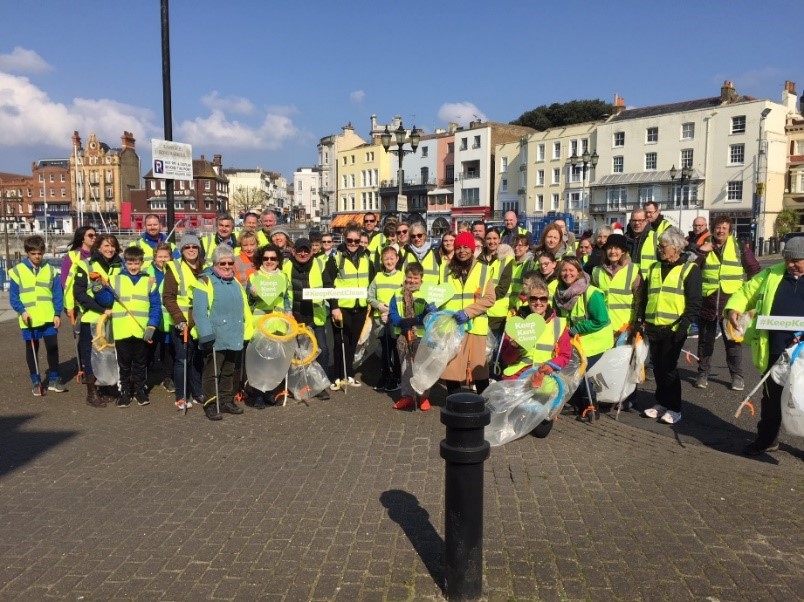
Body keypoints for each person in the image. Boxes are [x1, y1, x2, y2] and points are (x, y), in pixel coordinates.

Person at [725, 237, 804, 455]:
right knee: (771, 400)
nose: (790, 265)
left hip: (803, 353)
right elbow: (746, 292)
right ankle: (767, 439)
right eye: (787, 259)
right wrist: (734, 308)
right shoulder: (772, 274)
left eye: (796, 260)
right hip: (775, 349)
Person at [637, 227, 702, 424]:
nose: (660, 249)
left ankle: (675, 408)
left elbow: (694, 303)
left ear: (676, 247)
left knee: (669, 368)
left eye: (663, 246)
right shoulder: (655, 267)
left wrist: (683, 327)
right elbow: (646, 295)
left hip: (674, 329)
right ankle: (661, 402)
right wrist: (641, 319)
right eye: (660, 246)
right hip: (653, 326)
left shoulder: (690, 269)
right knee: (657, 367)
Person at [694, 216, 760, 391]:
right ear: (712, 228)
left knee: (733, 342)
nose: (720, 231)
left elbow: (755, 271)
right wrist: (701, 252)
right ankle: (702, 374)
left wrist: (749, 298)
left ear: (729, 230)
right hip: (708, 302)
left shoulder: (739, 248)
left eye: (724, 228)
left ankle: (737, 376)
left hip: (731, 304)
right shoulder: (704, 247)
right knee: (705, 342)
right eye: (718, 227)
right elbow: (690, 270)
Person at [193, 246, 252, 421]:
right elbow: (199, 312)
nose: (227, 266)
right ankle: (211, 403)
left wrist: (249, 331)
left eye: (230, 263)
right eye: (222, 263)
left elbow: (245, 309)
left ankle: (226, 400)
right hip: (215, 336)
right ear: (215, 263)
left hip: (234, 334)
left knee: (229, 370)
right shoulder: (204, 281)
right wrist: (206, 335)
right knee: (212, 371)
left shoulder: (236, 283)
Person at [554, 256, 612, 417]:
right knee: (569, 371)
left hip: (595, 341)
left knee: (580, 372)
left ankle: (591, 405)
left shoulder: (592, 293)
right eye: (564, 270)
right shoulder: (559, 294)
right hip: (573, 341)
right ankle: (578, 404)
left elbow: (601, 319)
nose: (567, 273)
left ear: (579, 272)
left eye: (571, 270)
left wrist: (576, 328)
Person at [10, 235, 66, 395]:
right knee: (32, 349)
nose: (37, 256)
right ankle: (36, 381)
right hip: (28, 317)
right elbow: (14, 296)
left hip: (48, 316)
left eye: (39, 253)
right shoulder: (17, 271)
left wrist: (57, 313)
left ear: (43, 252)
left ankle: (54, 378)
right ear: (27, 253)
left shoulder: (51, 270)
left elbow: (57, 293)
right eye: (33, 253)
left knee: (53, 347)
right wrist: (22, 311)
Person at [441, 232, 496, 394]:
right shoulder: (446, 270)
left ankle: (484, 401)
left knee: (479, 367)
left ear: (472, 249)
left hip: (476, 326)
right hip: (453, 325)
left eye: (466, 247)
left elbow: (490, 299)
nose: (462, 251)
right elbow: (441, 293)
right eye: (458, 248)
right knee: (452, 366)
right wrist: (434, 305)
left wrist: (468, 312)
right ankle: (453, 399)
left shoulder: (484, 270)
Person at [73, 233, 123, 407]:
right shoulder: (85, 265)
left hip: (115, 319)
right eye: (106, 246)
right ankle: (92, 393)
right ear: (98, 247)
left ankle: (107, 387)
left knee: (110, 355)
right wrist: (102, 309)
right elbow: (78, 294)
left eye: (112, 246)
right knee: (90, 356)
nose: (110, 249)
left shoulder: (120, 265)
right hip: (92, 318)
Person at [109, 246, 162, 408]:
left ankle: (140, 390)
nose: (133, 267)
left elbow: (155, 306)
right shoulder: (115, 279)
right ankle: (124, 392)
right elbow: (105, 298)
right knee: (124, 365)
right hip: (122, 329)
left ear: (141, 263)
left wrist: (152, 325)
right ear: (125, 263)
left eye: (136, 263)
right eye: (130, 263)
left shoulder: (149, 281)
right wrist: (97, 289)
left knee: (140, 364)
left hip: (141, 331)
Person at [285, 237, 336, 399]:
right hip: (294, 317)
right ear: (293, 251)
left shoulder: (319, 264)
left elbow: (328, 287)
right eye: (299, 250)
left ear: (311, 251)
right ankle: (297, 385)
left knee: (323, 351)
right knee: (296, 355)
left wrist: (335, 307)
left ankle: (320, 387)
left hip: (315, 317)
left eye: (306, 250)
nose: (302, 253)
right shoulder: (286, 266)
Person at [163, 234, 206, 411]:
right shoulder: (175, 268)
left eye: (194, 247)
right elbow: (168, 298)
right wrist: (180, 320)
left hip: (200, 321)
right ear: (182, 250)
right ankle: (181, 395)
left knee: (197, 358)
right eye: (187, 247)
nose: (191, 249)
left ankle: (197, 392)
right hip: (182, 323)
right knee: (182, 359)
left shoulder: (205, 269)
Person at [246, 244, 292, 408]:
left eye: (273, 258)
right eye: (266, 258)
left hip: (278, 324)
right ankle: (258, 395)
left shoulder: (284, 277)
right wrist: (251, 294)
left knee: (274, 360)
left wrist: (288, 312)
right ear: (261, 260)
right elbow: (247, 303)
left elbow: (288, 298)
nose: (269, 261)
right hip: (259, 324)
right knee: (259, 361)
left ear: (278, 260)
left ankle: (270, 392)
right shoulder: (253, 277)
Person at [331, 226, 375, 390]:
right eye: (350, 240)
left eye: (356, 240)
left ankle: (348, 374)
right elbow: (328, 283)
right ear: (344, 239)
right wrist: (334, 306)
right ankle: (337, 376)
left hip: (360, 307)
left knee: (353, 343)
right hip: (342, 307)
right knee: (340, 342)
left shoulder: (366, 257)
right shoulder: (336, 258)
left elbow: (372, 280)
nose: (353, 243)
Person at [388, 263, 433, 411]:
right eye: (409, 277)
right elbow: (393, 313)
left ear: (421, 278)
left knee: (423, 368)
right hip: (403, 337)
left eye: (415, 278)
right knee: (406, 368)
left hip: (422, 337)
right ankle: (407, 396)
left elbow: (430, 315)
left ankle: (423, 397)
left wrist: (415, 320)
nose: (412, 281)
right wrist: (401, 322)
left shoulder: (427, 294)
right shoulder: (397, 294)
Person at [367, 246, 405, 392]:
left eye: (391, 258)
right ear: (382, 261)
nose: (389, 261)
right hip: (380, 319)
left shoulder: (402, 276)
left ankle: (396, 377)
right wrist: (379, 306)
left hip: (395, 319)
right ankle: (385, 376)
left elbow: (405, 296)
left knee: (396, 349)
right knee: (384, 349)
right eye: (386, 259)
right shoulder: (378, 277)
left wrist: (391, 311)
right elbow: (370, 296)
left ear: (397, 259)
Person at [146, 243, 176, 393]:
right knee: (149, 348)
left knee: (168, 349)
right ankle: (145, 374)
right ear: (154, 257)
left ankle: (167, 377)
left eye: (166, 256)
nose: (163, 259)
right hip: (153, 316)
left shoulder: (175, 270)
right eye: (160, 256)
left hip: (169, 316)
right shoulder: (148, 272)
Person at [481, 228, 514, 344]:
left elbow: (503, 287)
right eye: (489, 238)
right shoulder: (478, 259)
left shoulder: (507, 259)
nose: (492, 241)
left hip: (497, 312)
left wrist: (485, 299)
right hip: (479, 311)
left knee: (494, 348)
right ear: (485, 240)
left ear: (499, 240)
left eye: (495, 238)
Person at [61, 226, 96, 322]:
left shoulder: (98, 255)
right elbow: (65, 282)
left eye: (95, 235)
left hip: (96, 299)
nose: (94, 237)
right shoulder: (72, 256)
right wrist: (70, 305)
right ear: (82, 238)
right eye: (90, 235)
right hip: (78, 302)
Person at [626, 208, 657, 278]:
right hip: (627, 281)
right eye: (634, 220)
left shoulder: (654, 237)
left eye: (640, 220)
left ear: (646, 221)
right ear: (630, 222)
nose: (637, 223)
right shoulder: (624, 239)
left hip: (648, 281)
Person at [509, 234, 536, 310]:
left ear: (527, 247)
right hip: (510, 305)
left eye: (520, 245)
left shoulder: (530, 264)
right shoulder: (511, 262)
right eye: (515, 245)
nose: (517, 248)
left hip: (523, 305)